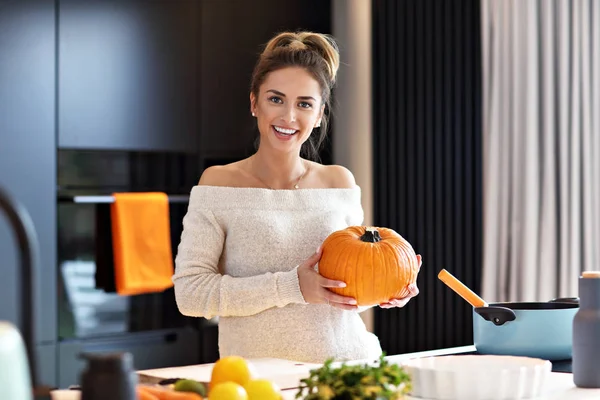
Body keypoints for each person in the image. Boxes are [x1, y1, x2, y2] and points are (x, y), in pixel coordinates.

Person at [172, 31, 420, 364]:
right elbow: (191, 294)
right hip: (258, 381)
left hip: (347, 366)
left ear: (319, 116)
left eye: (304, 104)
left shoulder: (338, 181)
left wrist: (387, 286)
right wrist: (291, 287)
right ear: (254, 103)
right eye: (276, 99)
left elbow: (347, 288)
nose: (289, 117)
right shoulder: (218, 183)